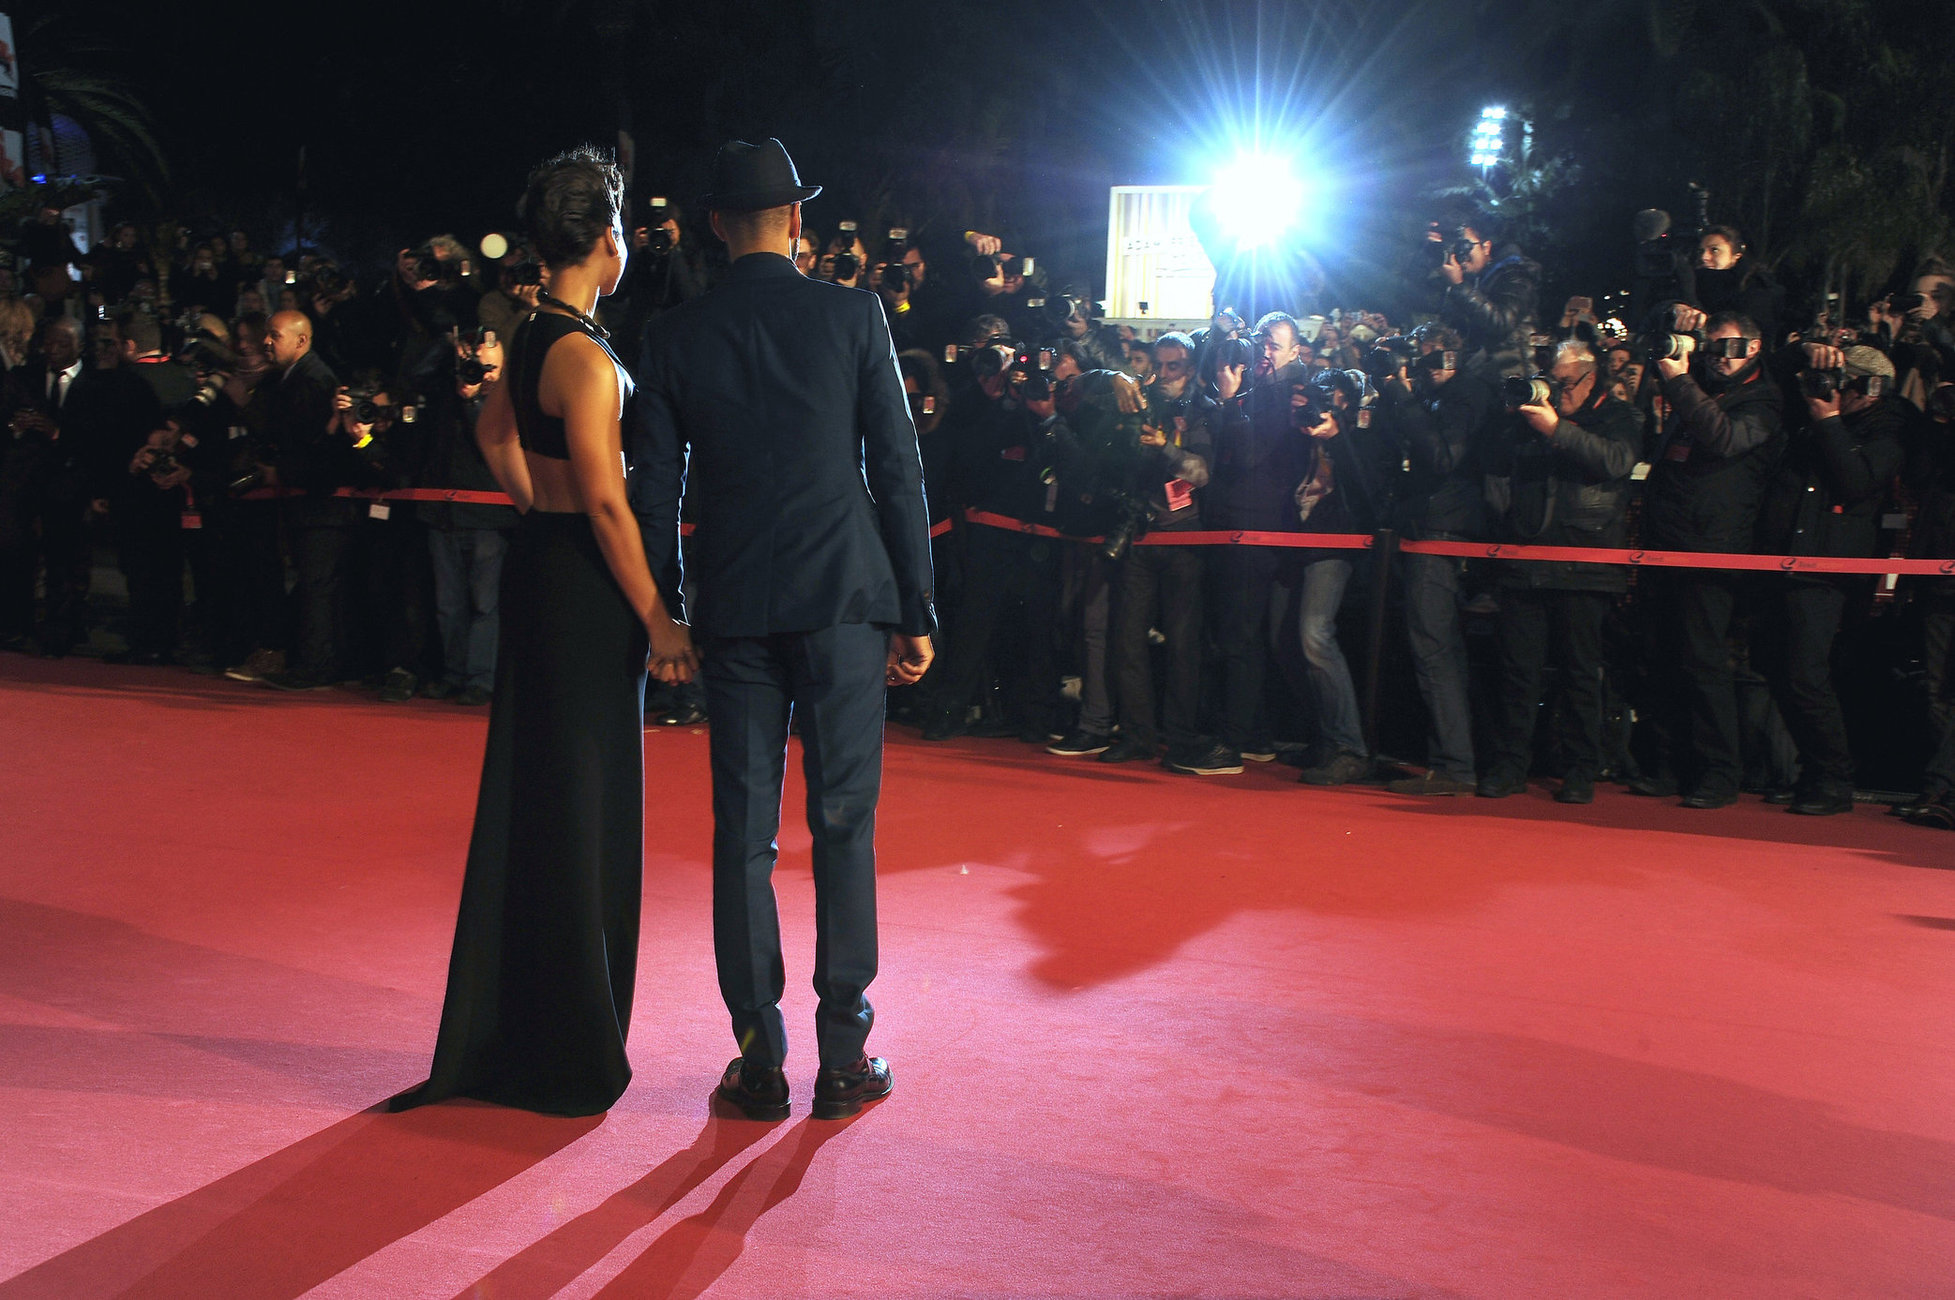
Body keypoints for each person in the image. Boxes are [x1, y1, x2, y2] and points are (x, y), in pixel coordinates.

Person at [632, 138, 936, 1122]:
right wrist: (915, 609)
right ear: (797, 220)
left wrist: (664, 610)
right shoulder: (852, 314)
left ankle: (758, 1059)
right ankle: (844, 1054)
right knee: (844, 821)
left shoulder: (674, 336)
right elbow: (895, 467)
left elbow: (653, 491)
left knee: (743, 835)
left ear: (714, 225)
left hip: (733, 607)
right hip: (847, 598)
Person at [392, 146, 696, 1118]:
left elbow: (490, 436)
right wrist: (661, 618)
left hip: (542, 570)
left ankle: (527, 1025)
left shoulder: (524, 336)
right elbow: (611, 508)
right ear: (605, 243)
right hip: (588, 590)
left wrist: (537, 507)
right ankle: (569, 1045)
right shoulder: (586, 360)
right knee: (584, 802)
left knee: (541, 795)